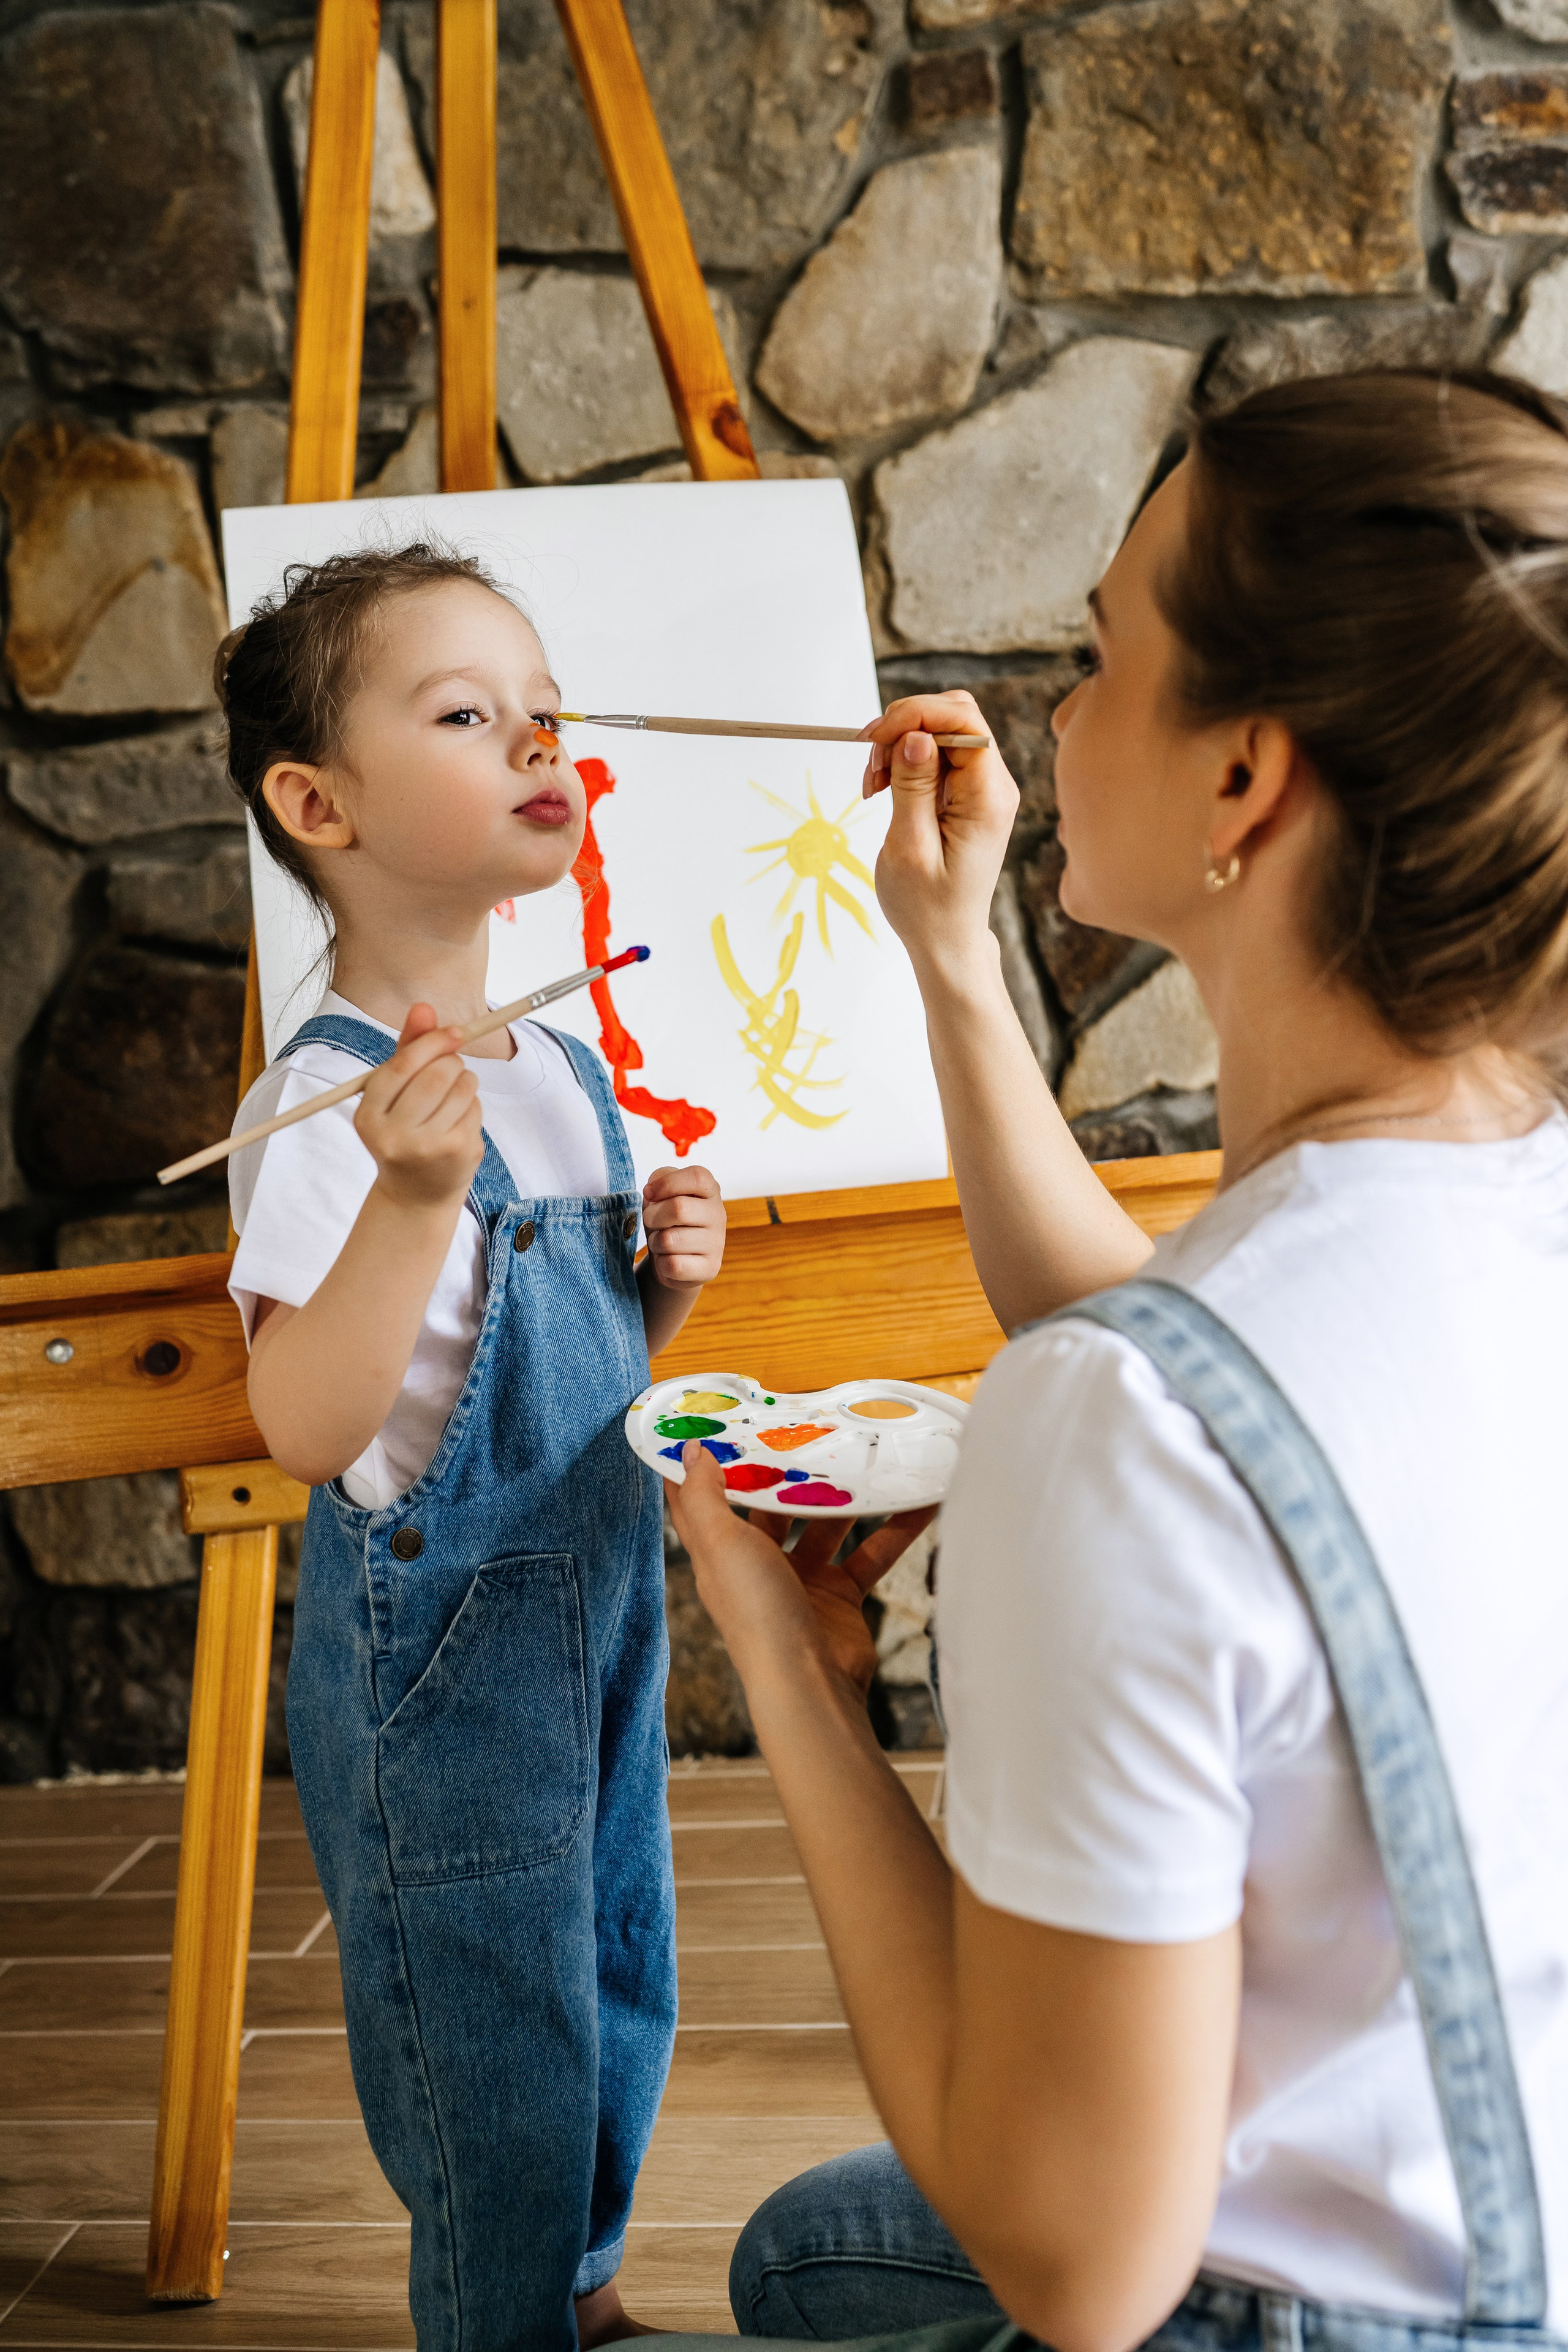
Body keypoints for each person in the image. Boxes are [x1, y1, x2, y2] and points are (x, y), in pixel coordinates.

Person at [658, 372, 1568, 2352]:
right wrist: (947, 954)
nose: (1057, 713)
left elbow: (1082, 2270)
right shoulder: (1499, 1211)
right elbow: (1222, 1399)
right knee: (817, 2251)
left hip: (1319, 2313)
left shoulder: (1132, 1428)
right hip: (1523, 2207)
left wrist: (794, 1679)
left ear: (1244, 778)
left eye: (1102, 652)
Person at [215, 544, 727, 2352]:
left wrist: (661, 1293)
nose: (536, 740)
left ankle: (579, 2298)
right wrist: (414, 1193)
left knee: (611, 1975)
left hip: (595, 1612)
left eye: (544, 710)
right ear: (320, 802)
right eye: (464, 713)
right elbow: (312, 1424)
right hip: (442, 1667)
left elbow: (548, 1372)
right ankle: (501, 2319)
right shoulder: (330, 1100)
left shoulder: (561, 1066)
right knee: (485, 2020)